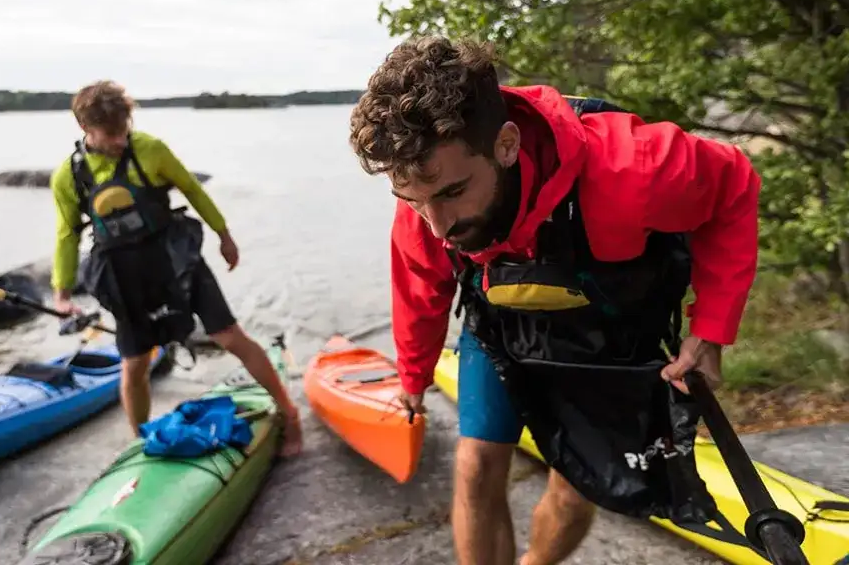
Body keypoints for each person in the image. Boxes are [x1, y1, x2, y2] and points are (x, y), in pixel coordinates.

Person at [348, 37, 760, 565]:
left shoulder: (633, 169)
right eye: (411, 200)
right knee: (474, 462)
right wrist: (413, 376)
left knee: (576, 481)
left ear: (506, 144)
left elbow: (734, 186)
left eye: (452, 193)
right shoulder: (427, 204)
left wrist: (711, 329)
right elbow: (420, 287)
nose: (439, 226)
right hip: (501, 323)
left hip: (610, 330)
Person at [49, 80, 302, 456]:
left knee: (229, 337)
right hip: (123, 274)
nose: (121, 139)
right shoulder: (68, 177)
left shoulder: (149, 149)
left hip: (175, 261)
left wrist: (223, 235)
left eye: (124, 129)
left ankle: (290, 414)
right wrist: (63, 293)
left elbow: (192, 190)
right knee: (134, 364)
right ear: (85, 129)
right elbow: (67, 234)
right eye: (110, 133)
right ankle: (143, 445)